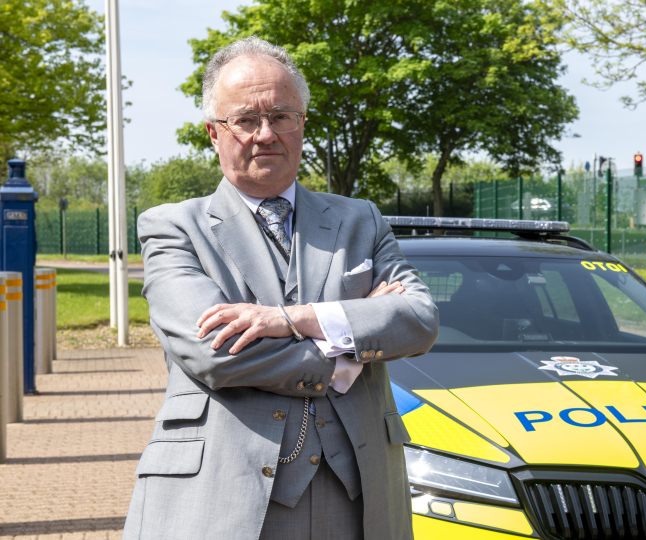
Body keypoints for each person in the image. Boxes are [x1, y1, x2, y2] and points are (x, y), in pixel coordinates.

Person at [121, 36, 439, 540]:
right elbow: (216, 352)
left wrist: (296, 320)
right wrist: (348, 355)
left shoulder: (362, 220)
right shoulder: (172, 228)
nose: (266, 134)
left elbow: (418, 320)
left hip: (358, 498)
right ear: (213, 133)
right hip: (222, 497)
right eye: (246, 119)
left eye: (282, 116)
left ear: (302, 125)